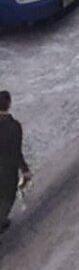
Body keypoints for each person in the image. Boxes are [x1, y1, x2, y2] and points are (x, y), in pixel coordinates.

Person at [0, 91, 30, 233]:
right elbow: (16, 151)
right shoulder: (14, 126)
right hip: (6, 169)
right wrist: (25, 169)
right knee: (7, 197)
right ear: (9, 104)